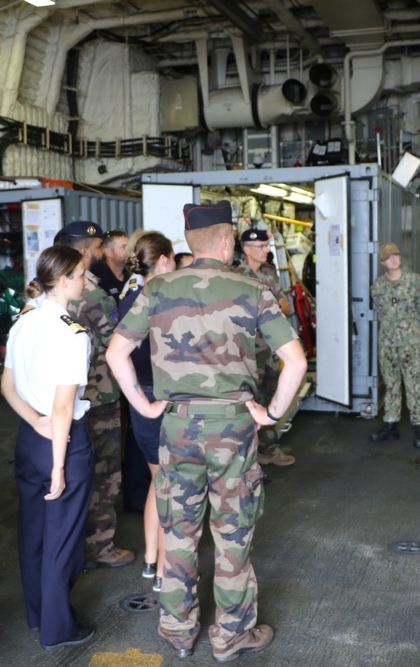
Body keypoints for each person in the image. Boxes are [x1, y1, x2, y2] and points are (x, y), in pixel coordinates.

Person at [106, 201, 307, 663]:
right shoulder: (251, 289)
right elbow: (294, 360)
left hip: (176, 426)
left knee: (179, 530)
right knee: (232, 534)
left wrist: (145, 404)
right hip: (233, 427)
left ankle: (178, 630)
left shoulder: (156, 289)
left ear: (190, 242)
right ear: (226, 240)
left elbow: (117, 353)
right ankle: (231, 636)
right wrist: (271, 413)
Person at [1, 245, 96, 650]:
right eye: (81, 275)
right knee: (63, 539)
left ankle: (39, 614)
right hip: (63, 444)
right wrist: (59, 467)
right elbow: (62, 407)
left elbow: (6, 387)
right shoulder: (72, 334)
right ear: (65, 279)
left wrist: (33, 421)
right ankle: (59, 629)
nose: (86, 281)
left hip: (31, 437)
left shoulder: (24, 321)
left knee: (35, 535)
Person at [54, 221, 135, 569]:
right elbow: (116, 346)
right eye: (99, 247)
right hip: (99, 395)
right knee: (104, 472)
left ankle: (72, 543)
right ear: (85, 251)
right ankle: (99, 545)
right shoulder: (95, 294)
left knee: (72, 469)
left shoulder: (44, 289)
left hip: (61, 398)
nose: (101, 253)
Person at [117, 231, 175, 593]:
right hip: (162, 394)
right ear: (166, 260)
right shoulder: (163, 297)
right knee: (170, 484)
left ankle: (152, 560)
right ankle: (168, 572)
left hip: (139, 393)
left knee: (158, 478)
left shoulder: (128, 293)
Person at [235, 228, 296, 467]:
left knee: (271, 398)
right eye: (261, 246)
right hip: (247, 351)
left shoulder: (270, 273)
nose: (266, 250)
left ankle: (268, 450)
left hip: (270, 349)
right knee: (248, 401)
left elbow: (286, 307)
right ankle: (249, 455)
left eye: (266, 245)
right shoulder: (237, 275)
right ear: (247, 249)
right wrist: (270, 309)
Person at [368, 243, 420, 447]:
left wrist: (409, 325)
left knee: (414, 384)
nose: (393, 259)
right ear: (382, 262)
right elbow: (381, 310)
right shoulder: (378, 286)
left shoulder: (414, 281)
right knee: (391, 384)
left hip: (410, 342)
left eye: (395, 255)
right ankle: (390, 425)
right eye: (388, 257)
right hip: (387, 342)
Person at [91, 229, 130, 304]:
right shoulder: (97, 280)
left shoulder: (131, 276)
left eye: (129, 247)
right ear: (108, 252)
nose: (128, 251)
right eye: (123, 247)